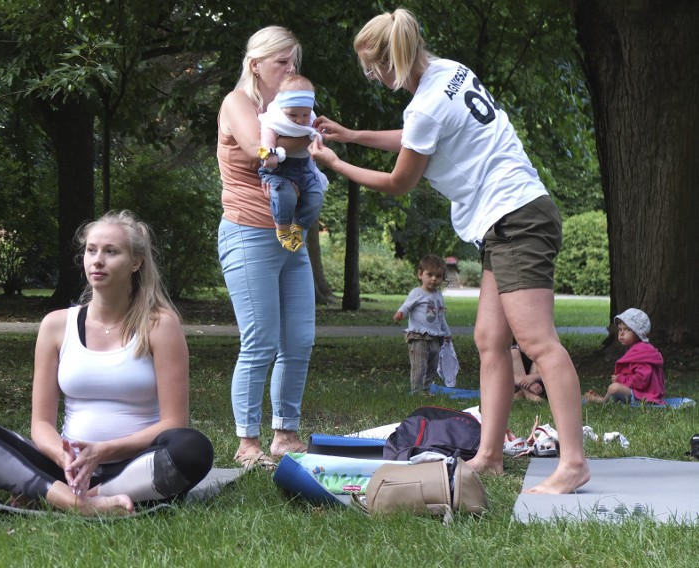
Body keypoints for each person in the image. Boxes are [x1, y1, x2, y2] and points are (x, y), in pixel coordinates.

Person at [308, 8, 588, 494]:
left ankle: (574, 463)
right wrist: (352, 137)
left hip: (516, 217)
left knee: (539, 343)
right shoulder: (451, 72)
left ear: (389, 60)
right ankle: (490, 454)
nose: (372, 77)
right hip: (507, 218)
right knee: (488, 339)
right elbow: (418, 141)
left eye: (372, 68)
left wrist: (337, 163)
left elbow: (401, 180)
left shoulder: (425, 105)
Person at [0, 211, 214, 515]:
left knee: (193, 449)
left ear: (136, 262)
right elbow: (41, 425)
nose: (97, 260)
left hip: (136, 468)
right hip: (66, 468)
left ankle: (61, 494)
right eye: (91, 250)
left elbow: (174, 423)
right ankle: (80, 503)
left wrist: (102, 451)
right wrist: (65, 458)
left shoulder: (160, 325)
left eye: (111, 252)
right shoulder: (56, 325)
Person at [216, 26, 314, 469]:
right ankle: (247, 442)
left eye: (294, 63)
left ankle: (285, 434)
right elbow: (262, 147)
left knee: (299, 340)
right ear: (255, 64)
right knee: (260, 341)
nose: (291, 70)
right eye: (282, 62)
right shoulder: (239, 103)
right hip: (248, 232)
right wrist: (311, 131)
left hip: (290, 236)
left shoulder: (289, 111)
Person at [257, 73, 329, 252]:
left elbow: (317, 133)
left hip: (305, 168)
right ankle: (282, 229)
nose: (300, 120)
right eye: (293, 115)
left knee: (315, 197)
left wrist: (320, 137)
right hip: (280, 169)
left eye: (304, 114)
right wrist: (270, 154)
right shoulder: (275, 118)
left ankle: (298, 226)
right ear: (282, 108)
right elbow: (267, 136)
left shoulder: (309, 117)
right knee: (285, 196)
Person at [393, 254, 452, 394]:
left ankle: (426, 388)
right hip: (418, 336)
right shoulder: (417, 293)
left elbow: (440, 316)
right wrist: (401, 312)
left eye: (438, 276)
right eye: (429, 274)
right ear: (420, 274)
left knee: (432, 365)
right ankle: (416, 390)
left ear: (442, 278)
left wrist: (447, 332)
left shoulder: (438, 296)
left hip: (435, 338)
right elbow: (406, 306)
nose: (433, 279)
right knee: (419, 365)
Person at [584, 308, 665, 405]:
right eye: (620, 329)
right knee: (615, 387)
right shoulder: (637, 349)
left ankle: (602, 401)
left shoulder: (641, 352)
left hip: (645, 396)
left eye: (627, 329)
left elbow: (641, 380)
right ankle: (606, 398)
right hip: (642, 393)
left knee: (614, 388)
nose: (621, 333)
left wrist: (620, 379)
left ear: (637, 333)